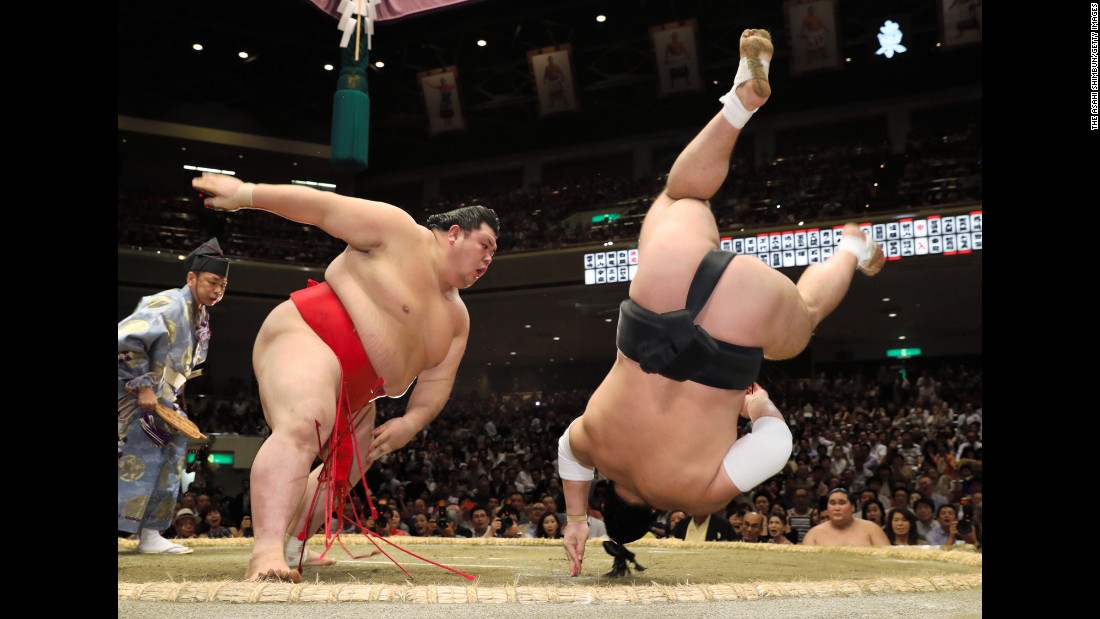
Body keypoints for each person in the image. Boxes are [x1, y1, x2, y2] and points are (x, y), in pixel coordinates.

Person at [557, 29, 884, 576]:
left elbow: (776, 446)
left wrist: (754, 402)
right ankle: (737, 104)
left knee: (804, 313)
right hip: (658, 300)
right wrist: (573, 517)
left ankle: (851, 248)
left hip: (732, 333)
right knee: (681, 195)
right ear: (608, 495)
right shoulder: (593, 444)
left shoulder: (694, 497)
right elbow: (569, 455)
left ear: (652, 515)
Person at [191, 173, 499, 582]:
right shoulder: (399, 231)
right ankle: (265, 552)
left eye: (493, 255)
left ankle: (294, 544)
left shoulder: (458, 319)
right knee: (305, 422)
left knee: (349, 465)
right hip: (308, 334)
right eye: (486, 246)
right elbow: (321, 209)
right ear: (455, 234)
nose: (488, 260)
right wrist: (248, 195)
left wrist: (410, 422)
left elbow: (437, 382)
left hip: (360, 393)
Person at [117, 238, 229, 555]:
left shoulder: (200, 315)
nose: (218, 290)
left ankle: (151, 534)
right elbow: (126, 339)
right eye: (212, 282)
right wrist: (143, 387)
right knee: (131, 461)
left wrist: (171, 400)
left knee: (168, 462)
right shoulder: (167, 304)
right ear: (191, 278)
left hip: (164, 400)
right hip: (135, 397)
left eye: (223, 284)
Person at [802, 489, 890, 547]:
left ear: (852, 507)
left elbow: (887, 560)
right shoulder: (814, 534)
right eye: (832, 503)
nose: (837, 508)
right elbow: (805, 566)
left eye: (842, 503)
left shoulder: (872, 529)